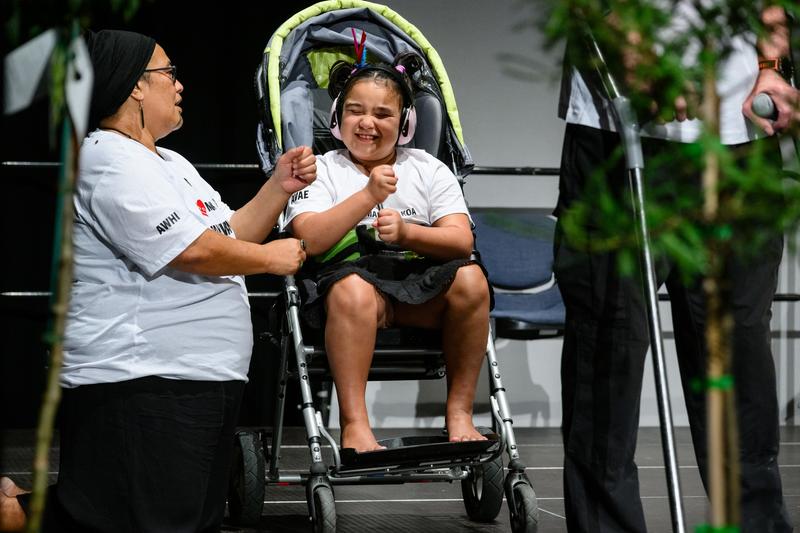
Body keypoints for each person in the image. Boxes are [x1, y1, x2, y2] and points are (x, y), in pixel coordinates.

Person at [0, 29, 316, 533]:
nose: (180, 84)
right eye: (169, 72)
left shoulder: (169, 162)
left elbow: (225, 232)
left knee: (177, 518)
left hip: (192, 377)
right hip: (142, 378)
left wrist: (279, 187)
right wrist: (269, 259)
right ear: (135, 86)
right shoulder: (106, 158)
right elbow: (189, 250)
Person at [555, 4, 797, 532]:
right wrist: (639, 57)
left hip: (740, 141)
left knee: (738, 355)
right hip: (618, 133)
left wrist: (772, 65)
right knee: (610, 349)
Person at [283, 58, 492, 453]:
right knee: (353, 289)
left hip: (417, 291)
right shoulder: (321, 169)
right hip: (346, 292)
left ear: (405, 123)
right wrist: (369, 197)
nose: (367, 123)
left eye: (383, 114)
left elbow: (461, 241)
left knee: (471, 277)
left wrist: (409, 234)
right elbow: (310, 239)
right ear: (337, 116)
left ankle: (460, 414)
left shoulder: (428, 168)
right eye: (355, 111)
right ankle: (355, 425)